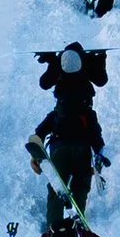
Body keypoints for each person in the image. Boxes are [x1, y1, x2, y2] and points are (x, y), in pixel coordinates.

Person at [27, 41, 108, 210]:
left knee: (57, 188)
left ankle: (54, 224)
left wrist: (36, 152)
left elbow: (39, 132)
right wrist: (99, 152)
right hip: (83, 149)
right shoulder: (88, 115)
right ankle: (78, 217)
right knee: (81, 187)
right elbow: (95, 133)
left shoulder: (57, 115)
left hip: (59, 146)